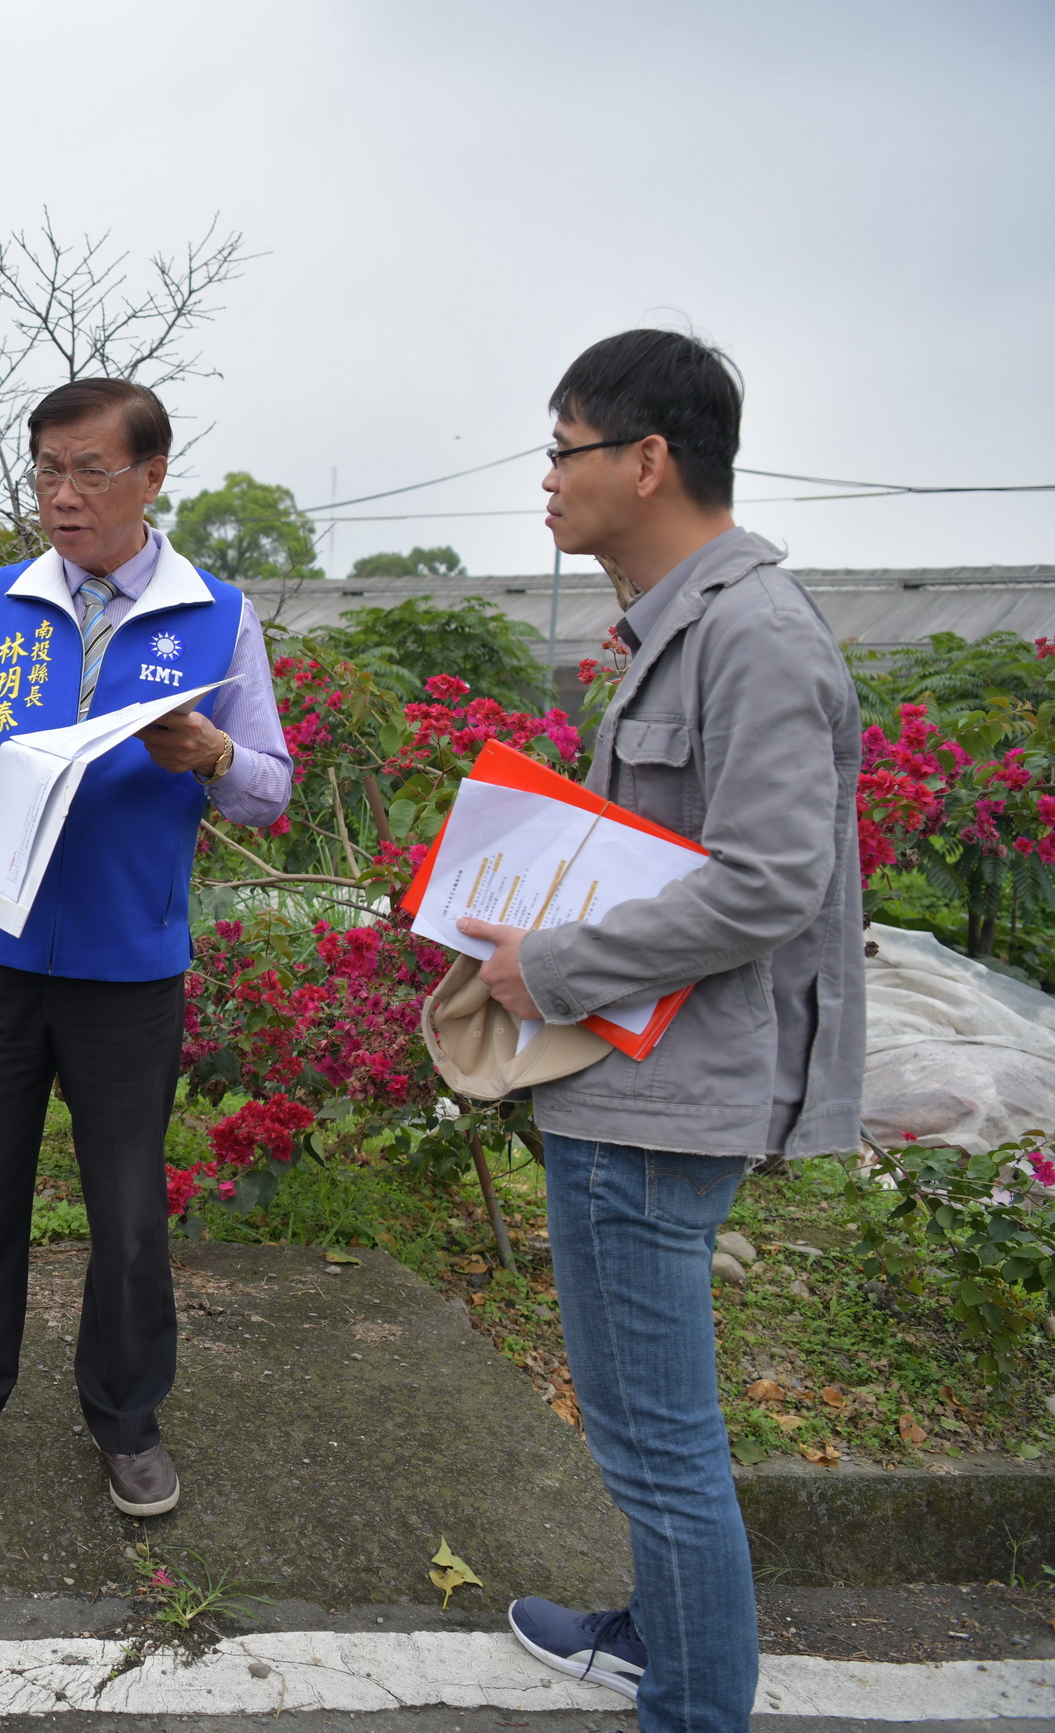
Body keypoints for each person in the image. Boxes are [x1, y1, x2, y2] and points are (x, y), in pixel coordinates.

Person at [461, 330, 862, 1733]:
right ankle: (659, 1635)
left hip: (664, 1094)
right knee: (644, 1425)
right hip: (633, 1080)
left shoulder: (751, 635)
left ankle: (693, 1701)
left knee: (657, 1438)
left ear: (647, 460)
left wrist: (555, 962)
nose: (548, 484)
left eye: (564, 450)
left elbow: (764, 881)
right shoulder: (683, 622)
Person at [0, 378, 293, 1519]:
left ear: (151, 477)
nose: (61, 495)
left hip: (128, 960)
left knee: (125, 1206)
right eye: (46, 470)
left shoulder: (215, 614)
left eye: (87, 471)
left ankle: (124, 1415)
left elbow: (268, 789)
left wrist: (209, 754)